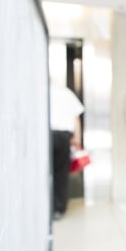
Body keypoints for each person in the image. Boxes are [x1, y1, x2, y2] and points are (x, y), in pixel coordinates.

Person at [49, 81, 84, 221]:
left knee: (46, 173)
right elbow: (76, 119)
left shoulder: (41, 92)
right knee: (61, 173)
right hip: (64, 137)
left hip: (47, 136)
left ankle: (48, 207)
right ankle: (59, 208)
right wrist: (77, 139)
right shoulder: (66, 93)